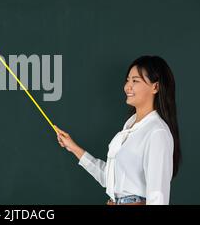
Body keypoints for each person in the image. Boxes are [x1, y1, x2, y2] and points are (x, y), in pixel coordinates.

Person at [55, 55, 181, 205]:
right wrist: (74, 148)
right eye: (127, 80)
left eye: (135, 81)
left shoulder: (156, 132)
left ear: (155, 87)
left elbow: (158, 196)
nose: (128, 86)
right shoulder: (129, 127)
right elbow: (109, 178)